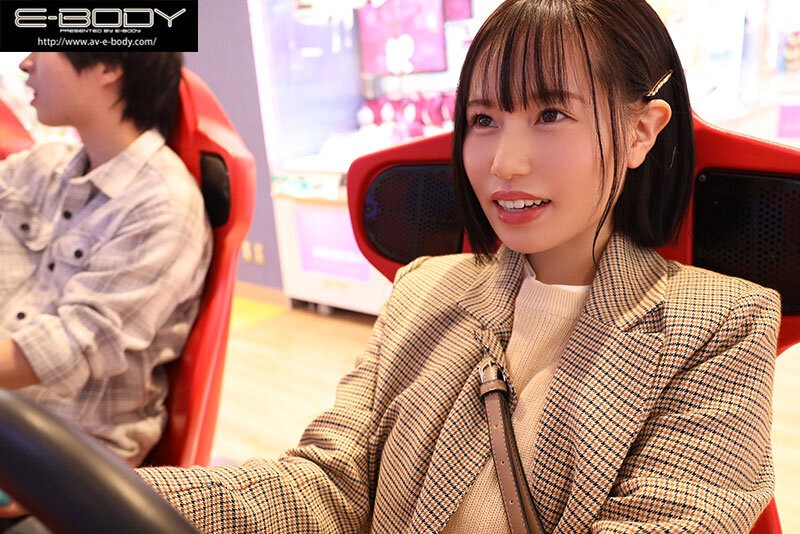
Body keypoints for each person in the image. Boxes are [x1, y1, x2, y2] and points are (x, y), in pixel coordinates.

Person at [139, 1, 780, 532]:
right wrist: (131, 497)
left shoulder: (724, 324)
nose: (504, 163)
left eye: (551, 114)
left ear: (640, 131)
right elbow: (327, 484)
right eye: (483, 120)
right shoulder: (424, 289)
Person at [0, 52, 212, 470]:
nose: (26, 63)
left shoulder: (163, 204)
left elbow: (71, 347)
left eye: (43, 48)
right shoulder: (44, 167)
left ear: (109, 67)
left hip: (67, 458)